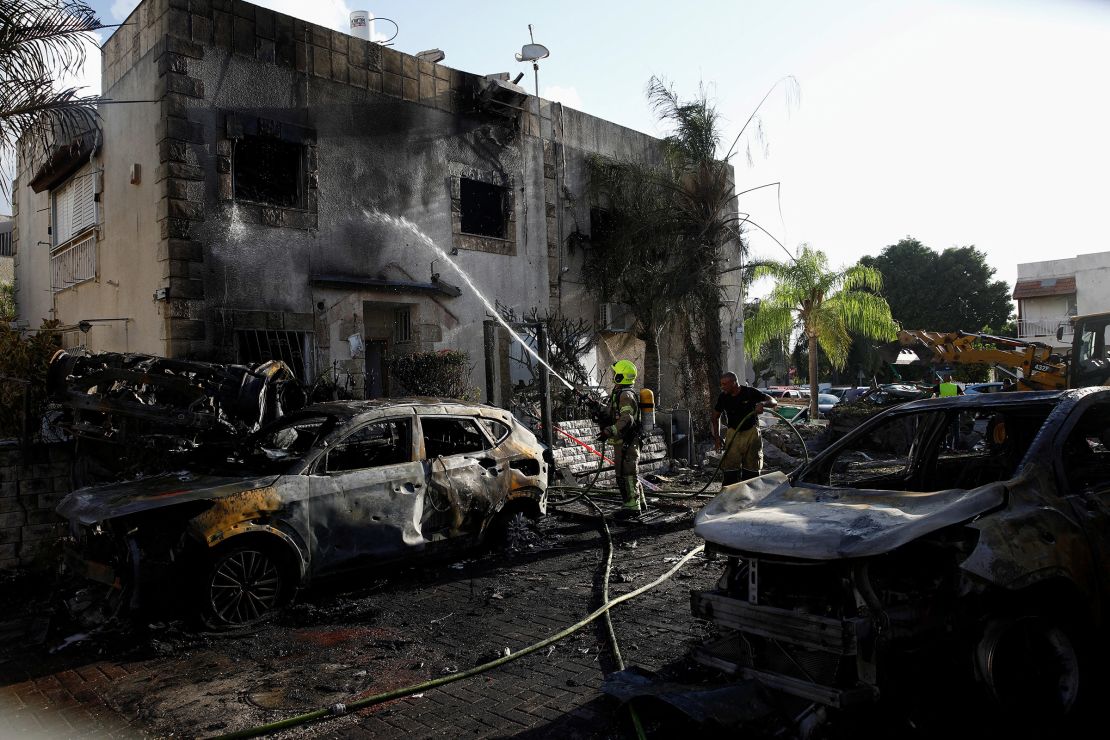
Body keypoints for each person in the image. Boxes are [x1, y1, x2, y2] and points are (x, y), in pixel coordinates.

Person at [712, 372, 777, 485]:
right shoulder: (723, 397)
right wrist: (717, 439)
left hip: (751, 433)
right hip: (734, 433)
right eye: (721, 384)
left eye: (725, 384)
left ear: (734, 383)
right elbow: (715, 417)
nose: (722, 387)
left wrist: (762, 404)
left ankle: (750, 496)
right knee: (730, 469)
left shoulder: (749, 392)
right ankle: (730, 496)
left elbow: (773, 401)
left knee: (752, 469)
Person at [600, 359, 646, 517]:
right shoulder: (620, 392)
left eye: (615, 373)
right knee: (629, 471)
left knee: (626, 472)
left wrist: (609, 430)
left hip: (627, 441)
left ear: (621, 376)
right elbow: (612, 412)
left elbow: (626, 418)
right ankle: (640, 502)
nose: (613, 375)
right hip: (624, 440)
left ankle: (632, 506)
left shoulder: (625, 395)